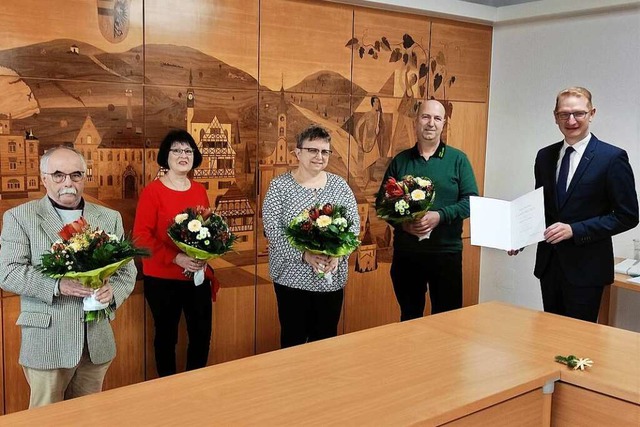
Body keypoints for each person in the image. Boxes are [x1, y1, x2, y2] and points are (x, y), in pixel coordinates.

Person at [0, 146, 136, 408]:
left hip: (95, 343)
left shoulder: (109, 217)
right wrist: (58, 285)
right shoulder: (19, 217)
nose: (68, 183)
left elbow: (126, 271)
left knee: (89, 416)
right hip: (48, 341)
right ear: (44, 178)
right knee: (45, 421)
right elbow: (8, 272)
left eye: (76, 175)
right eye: (59, 175)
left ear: (85, 177)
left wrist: (113, 293)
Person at [511, 87, 638, 322]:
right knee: (551, 337)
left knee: (579, 346)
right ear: (555, 116)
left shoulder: (612, 158)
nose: (571, 120)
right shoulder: (544, 156)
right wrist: (519, 237)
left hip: (587, 270)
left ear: (592, 113)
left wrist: (575, 230)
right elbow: (543, 209)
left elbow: (627, 215)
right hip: (549, 267)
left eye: (578, 113)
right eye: (564, 114)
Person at [376, 99, 478, 321]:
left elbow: (471, 201)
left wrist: (440, 216)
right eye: (426, 117)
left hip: (446, 254)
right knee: (410, 318)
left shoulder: (458, 159)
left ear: (443, 124)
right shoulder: (400, 161)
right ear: (416, 121)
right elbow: (381, 204)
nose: (431, 123)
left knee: (447, 321)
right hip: (407, 255)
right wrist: (403, 223)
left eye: (437, 118)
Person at [262, 124, 360, 348]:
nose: (319, 156)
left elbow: (353, 228)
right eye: (313, 150)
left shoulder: (340, 186)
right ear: (298, 152)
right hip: (291, 282)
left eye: (325, 151)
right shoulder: (279, 187)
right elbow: (273, 232)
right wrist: (304, 256)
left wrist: (338, 254)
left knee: (325, 343)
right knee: (293, 341)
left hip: (330, 281)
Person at [133, 129, 213, 377]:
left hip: (196, 277)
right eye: (176, 150)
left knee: (201, 335)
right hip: (162, 279)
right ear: (165, 156)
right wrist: (177, 257)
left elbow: (206, 230)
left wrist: (204, 254)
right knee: (166, 338)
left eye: (188, 150)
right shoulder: (152, 192)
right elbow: (140, 238)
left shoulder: (199, 190)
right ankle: (167, 388)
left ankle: (195, 384)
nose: (183, 155)